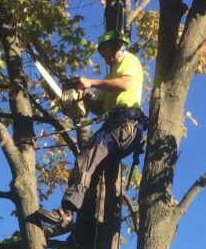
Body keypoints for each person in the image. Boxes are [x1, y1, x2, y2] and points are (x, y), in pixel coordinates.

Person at [36, 31, 145, 230]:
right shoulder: (109, 77)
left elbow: (124, 84)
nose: (102, 55)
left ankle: (65, 213)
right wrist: (83, 97)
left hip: (125, 126)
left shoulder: (128, 60)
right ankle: (84, 230)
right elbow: (100, 108)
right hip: (114, 126)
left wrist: (91, 82)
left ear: (116, 46)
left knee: (86, 158)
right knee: (89, 174)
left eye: (104, 50)